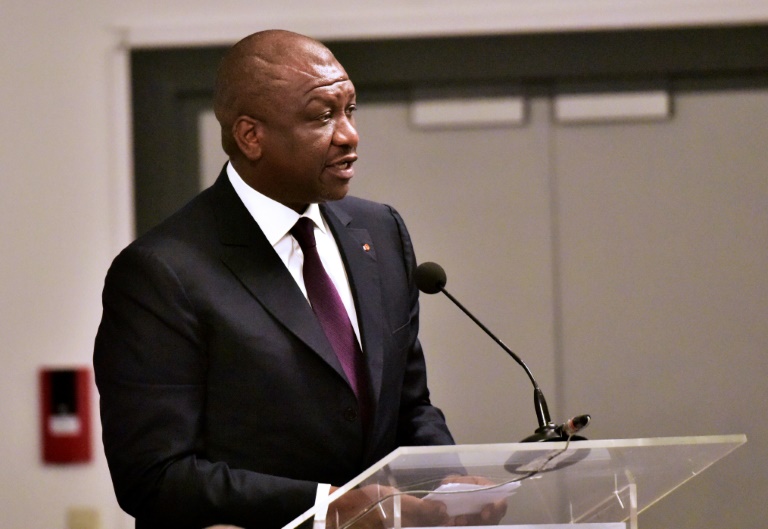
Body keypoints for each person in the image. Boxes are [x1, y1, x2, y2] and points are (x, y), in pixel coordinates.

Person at [94, 29, 505, 528]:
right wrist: (326, 507)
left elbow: (409, 405)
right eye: (322, 116)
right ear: (251, 136)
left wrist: (446, 483)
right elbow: (154, 475)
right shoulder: (162, 272)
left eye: (350, 110)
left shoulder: (380, 232)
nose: (349, 135)